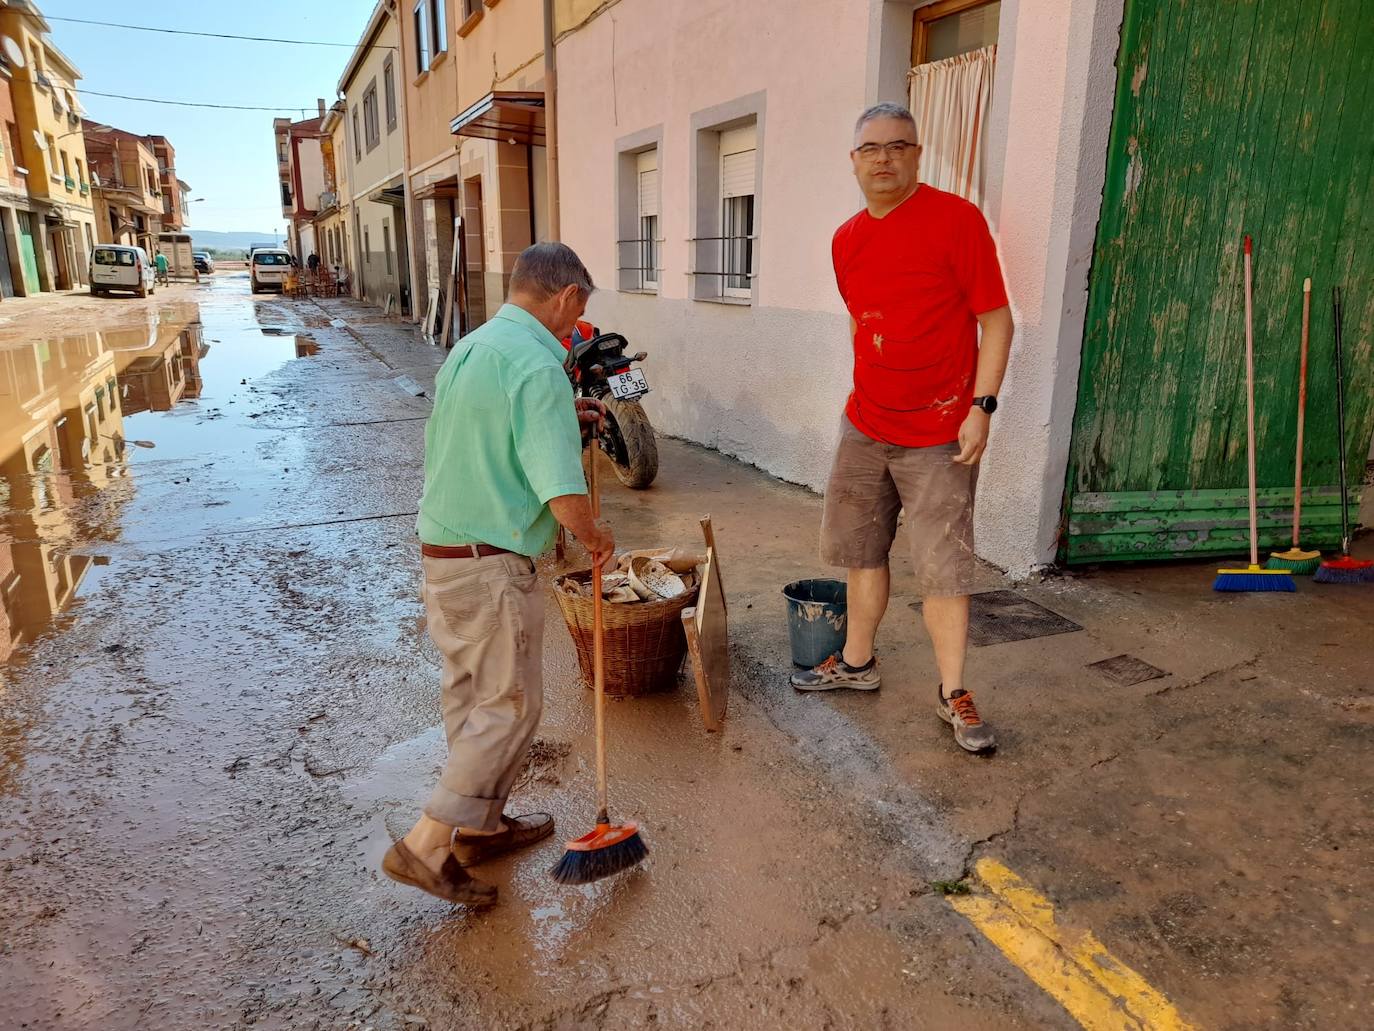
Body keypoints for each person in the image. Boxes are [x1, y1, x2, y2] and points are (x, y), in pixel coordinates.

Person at [384, 242, 613, 906]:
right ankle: (426, 844)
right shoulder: (541, 366)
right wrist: (596, 536)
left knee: (471, 698)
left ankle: (479, 825)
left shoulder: (474, 347)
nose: (574, 329)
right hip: (490, 562)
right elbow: (564, 498)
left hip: (445, 551)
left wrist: (558, 419)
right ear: (566, 297)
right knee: (510, 705)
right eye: (578, 313)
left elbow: (481, 429)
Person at [790, 102, 1014, 756]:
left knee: (943, 567)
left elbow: (996, 321)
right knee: (861, 550)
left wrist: (984, 406)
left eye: (898, 146)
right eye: (871, 148)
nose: (883, 158)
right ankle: (857, 663)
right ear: (853, 161)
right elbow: (863, 319)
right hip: (867, 423)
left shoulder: (956, 221)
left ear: (918, 155)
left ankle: (953, 693)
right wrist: (862, 390)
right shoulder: (846, 239)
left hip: (942, 427)